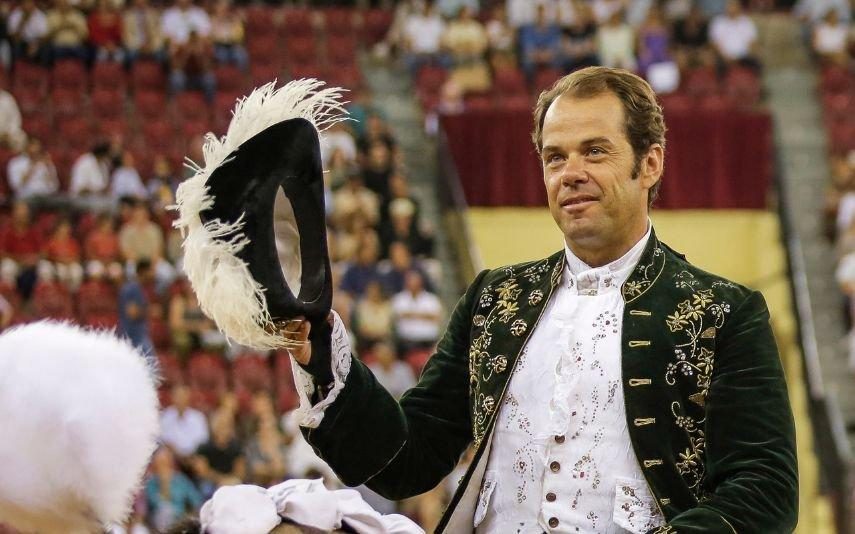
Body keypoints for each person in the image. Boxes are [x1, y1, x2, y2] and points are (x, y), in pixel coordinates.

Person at [283, 67, 798, 532]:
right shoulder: (495, 297)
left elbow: (763, 492)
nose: (570, 172)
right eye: (555, 157)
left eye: (595, 150)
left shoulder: (722, 311)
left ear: (650, 164)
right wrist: (319, 354)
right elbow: (407, 458)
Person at [159, 384, 210, 462]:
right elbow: (162, 439)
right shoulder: (165, 416)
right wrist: (176, 453)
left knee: (201, 462)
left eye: (183, 396)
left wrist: (189, 455)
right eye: (177, 396)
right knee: (162, 455)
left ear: (188, 397)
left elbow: (203, 440)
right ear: (172, 397)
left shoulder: (198, 417)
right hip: (173, 457)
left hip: (193, 457)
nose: (180, 399)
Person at [118, 258, 155, 356]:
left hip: (138, 335)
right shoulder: (132, 288)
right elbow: (132, 313)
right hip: (133, 337)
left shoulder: (139, 288)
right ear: (143, 271)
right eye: (151, 270)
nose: (153, 273)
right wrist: (150, 311)